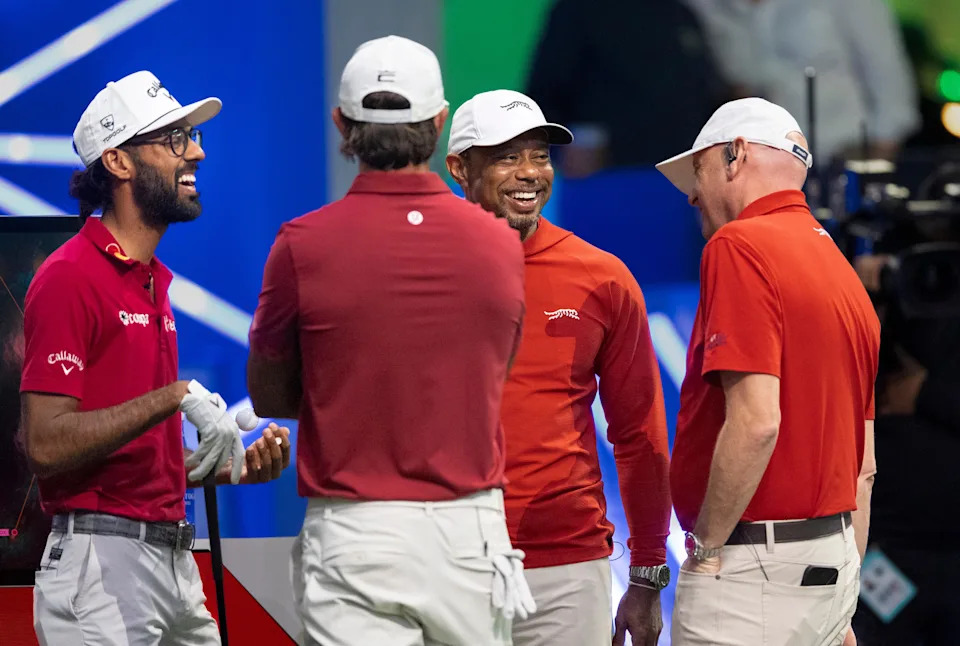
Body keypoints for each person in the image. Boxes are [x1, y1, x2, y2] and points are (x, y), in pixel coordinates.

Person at [247, 36, 532, 646]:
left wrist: (345, 397)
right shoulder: (500, 244)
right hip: (470, 534)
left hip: (355, 533)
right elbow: (490, 375)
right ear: (439, 121)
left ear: (341, 124)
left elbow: (269, 394)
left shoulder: (301, 243)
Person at [20, 70, 291, 646]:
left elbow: (131, 460)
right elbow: (44, 444)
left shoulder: (151, 281)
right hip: (100, 566)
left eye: (190, 136)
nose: (196, 151)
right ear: (118, 162)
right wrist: (175, 396)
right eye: (173, 139)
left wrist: (230, 466)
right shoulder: (70, 276)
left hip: (171, 561)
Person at [446, 89, 672, 646]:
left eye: (540, 155)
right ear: (459, 168)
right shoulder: (419, 271)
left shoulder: (601, 277)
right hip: (444, 560)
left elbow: (640, 434)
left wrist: (646, 571)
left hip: (567, 569)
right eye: (507, 156)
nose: (530, 173)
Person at [657, 97, 880, 645]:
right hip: (829, 565)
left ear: (735, 156)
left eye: (699, 172)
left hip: (751, 575)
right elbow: (864, 468)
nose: (692, 195)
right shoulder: (843, 273)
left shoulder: (739, 246)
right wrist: (843, 601)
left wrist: (706, 549)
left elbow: (757, 422)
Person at [685, 0, 920, 163]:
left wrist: (877, 156)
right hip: (759, 167)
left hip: (841, 157)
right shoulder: (705, 7)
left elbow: (890, 80)